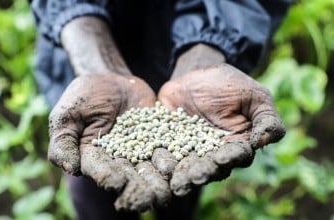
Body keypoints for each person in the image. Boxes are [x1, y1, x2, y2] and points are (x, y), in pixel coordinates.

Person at [30, 0, 292, 219]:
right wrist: (92, 57)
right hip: (86, 61)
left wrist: (207, 52)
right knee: (93, 187)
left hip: (192, 79)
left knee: (185, 182)